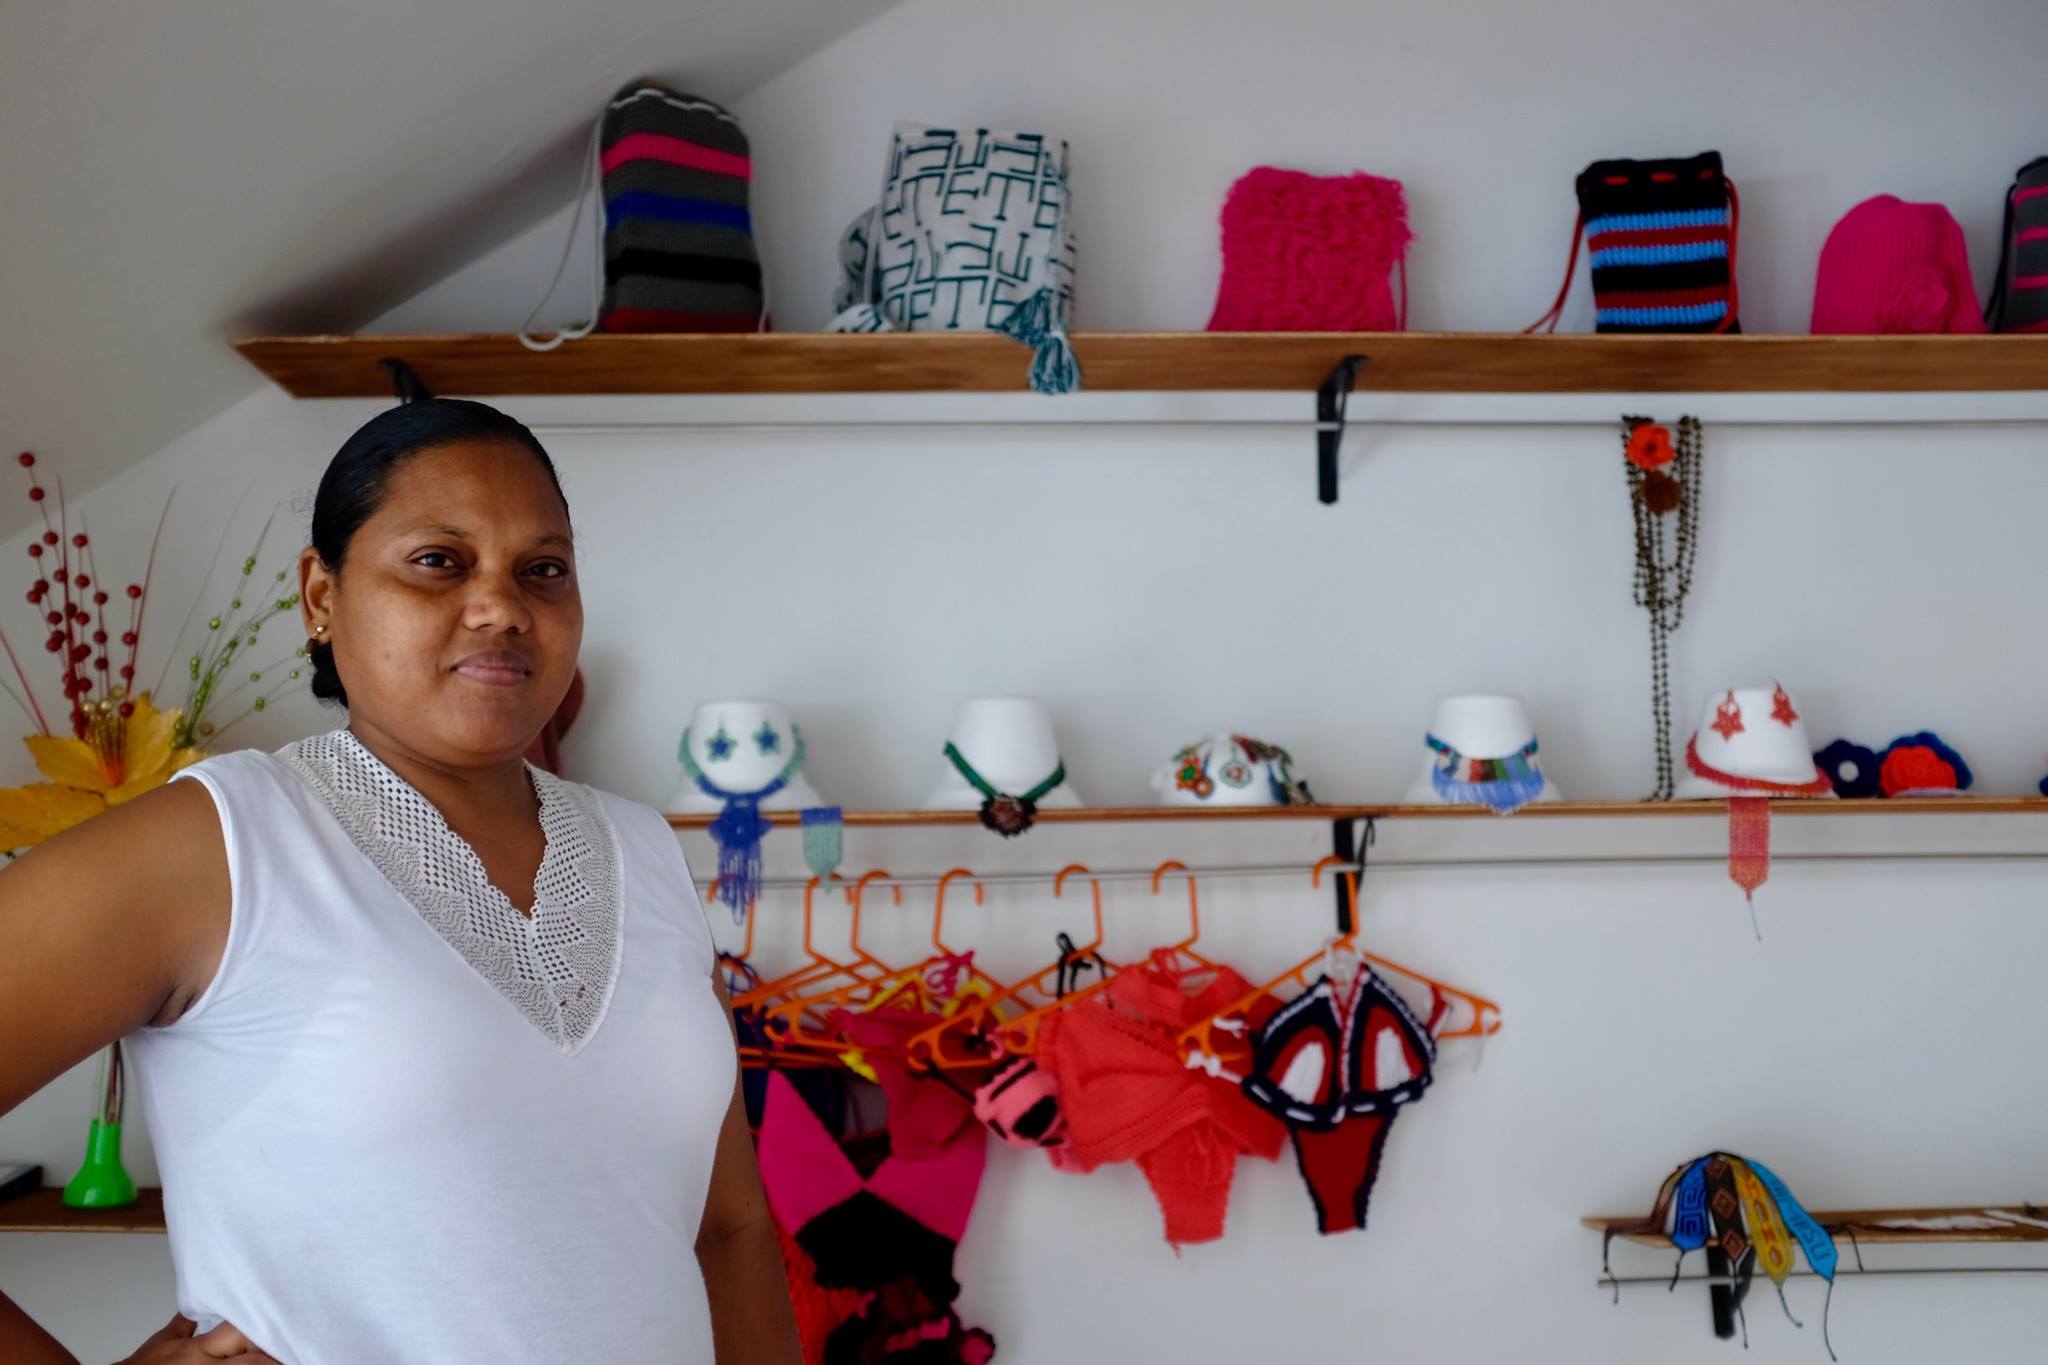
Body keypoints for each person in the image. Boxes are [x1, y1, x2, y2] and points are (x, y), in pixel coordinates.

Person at [0, 400, 801, 1364]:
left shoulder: (648, 855)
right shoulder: (221, 844)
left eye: (543, 569)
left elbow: (731, 1228)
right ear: (320, 596)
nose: (503, 605)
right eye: (439, 561)